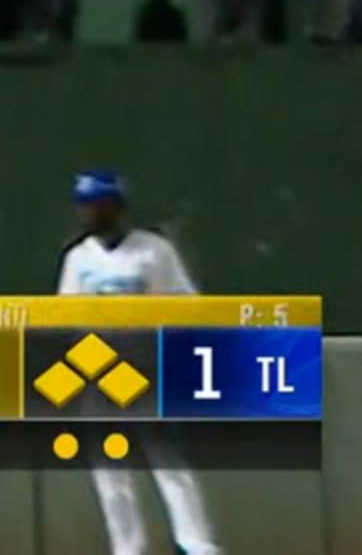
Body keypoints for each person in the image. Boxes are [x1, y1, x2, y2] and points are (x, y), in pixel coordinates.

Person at [58, 170, 221, 555]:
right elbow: (65, 318)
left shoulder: (153, 251)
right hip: (98, 371)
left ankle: (196, 544)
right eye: (84, 204)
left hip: (146, 368)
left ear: (117, 206)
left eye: (97, 203)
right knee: (110, 472)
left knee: (168, 462)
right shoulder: (78, 258)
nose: (89, 212)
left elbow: (185, 305)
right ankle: (128, 547)